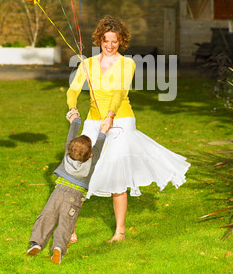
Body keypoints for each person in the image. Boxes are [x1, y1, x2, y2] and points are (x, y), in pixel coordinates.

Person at [67, 15, 190, 243]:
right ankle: (70, 229)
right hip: (93, 121)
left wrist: (111, 115)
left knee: (116, 172)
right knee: (82, 173)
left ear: (120, 41)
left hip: (121, 120)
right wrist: (73, 109)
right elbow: (72, 90)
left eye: (115, 41)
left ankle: (119, 232)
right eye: (106, 41)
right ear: (99, 40)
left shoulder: (127, 64)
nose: (110, 46)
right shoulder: (87, 64)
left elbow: (119, 92)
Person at [27, 113, 110, 264]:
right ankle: (58, 248)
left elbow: (71, 136)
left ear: (70, 148)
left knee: (47, 217)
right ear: (90, 153)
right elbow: (99, 145)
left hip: (58, 193)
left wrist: (75, 121)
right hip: (75, 197)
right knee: (66, 223)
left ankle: (37, 243)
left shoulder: (67, 155)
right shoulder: (92, 161)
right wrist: (103, 131)